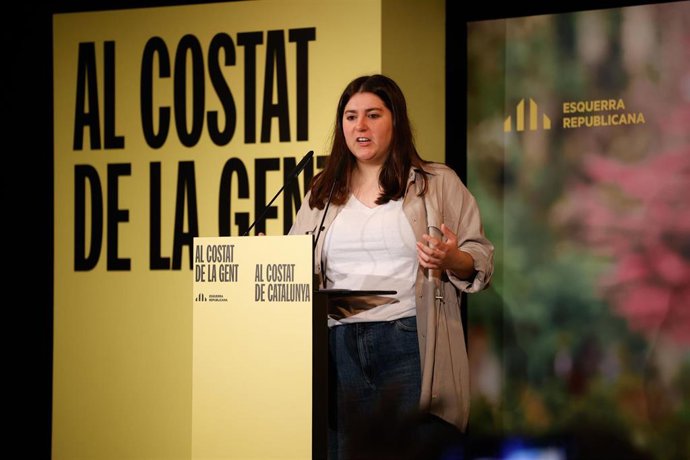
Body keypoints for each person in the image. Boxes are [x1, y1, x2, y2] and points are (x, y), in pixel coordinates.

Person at [288, 74, 494, 459]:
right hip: (337, 346)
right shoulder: (322, 190)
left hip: (407, 339)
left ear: (395, 121)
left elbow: (480, 258)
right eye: (351, 117)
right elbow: (294, 260)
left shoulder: (437, 182)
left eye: (373, 115)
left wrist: (451, 259)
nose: (360, 127)